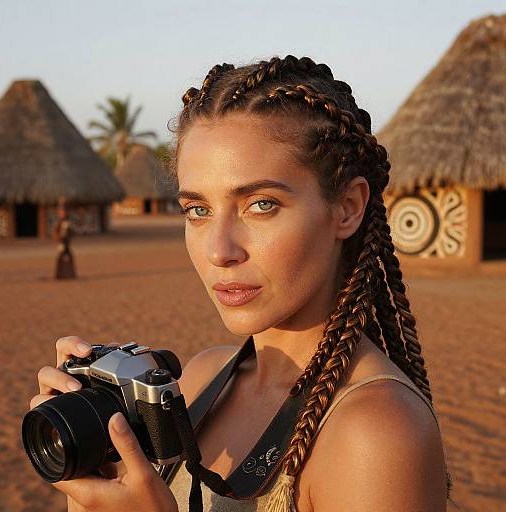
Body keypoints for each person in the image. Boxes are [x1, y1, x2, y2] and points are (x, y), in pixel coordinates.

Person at [29, 55, 450, 511]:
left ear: (346, 207)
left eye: (261, 204)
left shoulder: (376, 431)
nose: (219, 251)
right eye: (198, 210)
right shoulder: (202, 377)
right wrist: (92, 474)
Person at [53, 200, 77, 280]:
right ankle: (59, 275)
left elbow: (72, 232)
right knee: (60, 257)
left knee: (69, 257)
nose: (63, 213)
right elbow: (55, 233)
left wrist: (68, 232)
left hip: (67, 242)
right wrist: (59, 237)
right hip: (61, 242)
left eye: (64, 212)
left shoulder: (68, 222)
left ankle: (70, 274)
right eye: (61, 212)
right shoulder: (58, 222)